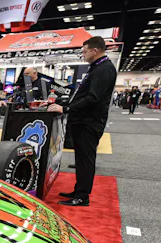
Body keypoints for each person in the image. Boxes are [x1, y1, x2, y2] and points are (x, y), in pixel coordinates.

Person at [48, 36, 117, 207]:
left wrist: (66, 109)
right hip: (83, 120)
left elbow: (93, 97)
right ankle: (79, 190)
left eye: (85, 51)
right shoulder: (97, 68)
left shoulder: (104, 69)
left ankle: (82, 196)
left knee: (86, 159)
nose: (83, 54)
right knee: (80, 158)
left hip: (90, 122)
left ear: (95, 50)